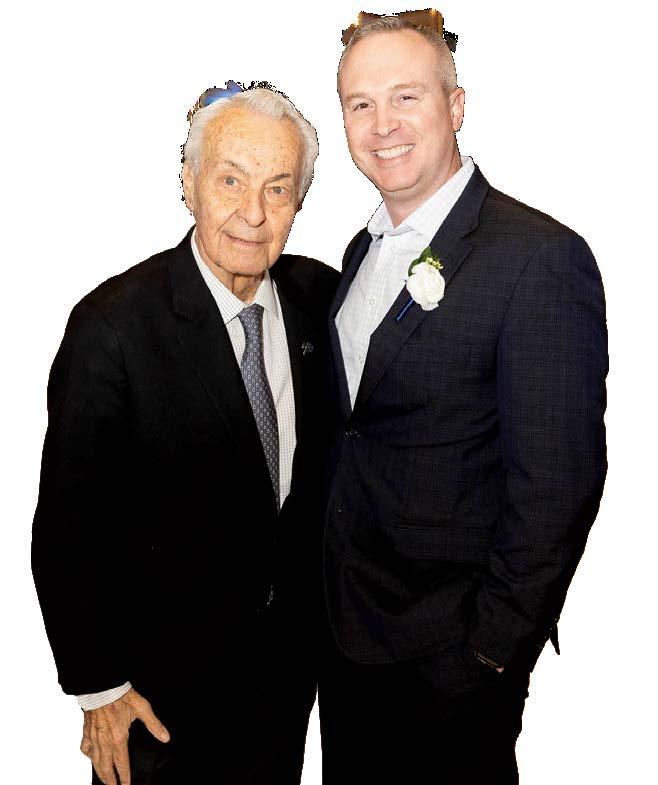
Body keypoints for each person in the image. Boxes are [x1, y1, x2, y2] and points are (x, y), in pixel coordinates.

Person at [319, 13, 608, 784]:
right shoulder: (360, 249)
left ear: (455, 105)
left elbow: (559, 486)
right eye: (360, 103)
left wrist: (489, 652)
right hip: (347, 641)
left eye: (406, 96)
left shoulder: (538, 258)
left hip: (452, 664)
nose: (382, 124)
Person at [32, 82, 339, 785]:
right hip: (156, 708)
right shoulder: (112, 327)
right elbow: (67, 527)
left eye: (278, 188)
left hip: (283, 692)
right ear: (188, 180)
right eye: (231, 180)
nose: (253, 213)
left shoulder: (320, 299)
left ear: (299, 201)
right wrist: (98, 687)